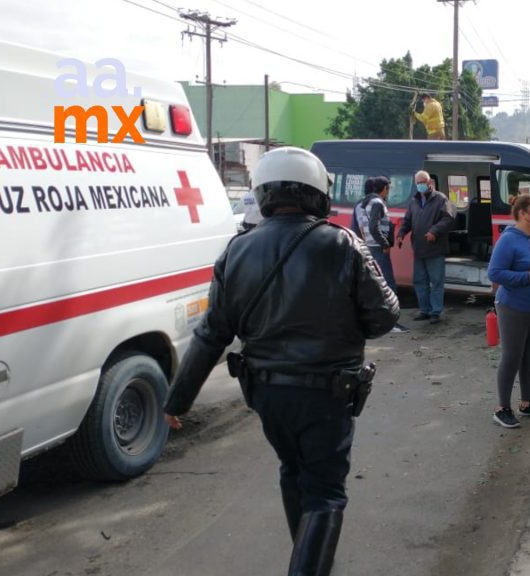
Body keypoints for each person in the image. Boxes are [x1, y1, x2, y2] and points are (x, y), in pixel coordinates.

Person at [162, 147, 400, 576]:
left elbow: (211, 334)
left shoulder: (236, 251)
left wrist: (176, 401)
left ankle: (306, 554)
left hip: (267, 394)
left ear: (264, 193)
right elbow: (384, 316)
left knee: (292, 472)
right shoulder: (342, 243)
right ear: (316, 194)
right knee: (326, 492)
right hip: (327, 393)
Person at [488, 194, 530, 428]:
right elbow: (495, 273)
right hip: (512, 307)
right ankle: (502, 408)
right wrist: (527, 276)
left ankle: (527, 402)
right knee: (511, 357)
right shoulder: (508, 239)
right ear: (522, 213)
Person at [397, 170, 456, 324]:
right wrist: (401, 233)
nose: (421, 185)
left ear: (430, 183)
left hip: (435, 249)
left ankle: (435, 312)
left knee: (436, 282)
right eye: (418, 183)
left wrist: (434, 231)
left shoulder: (441, 199)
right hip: (419, 248)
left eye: (423, 182)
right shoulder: (414, 201)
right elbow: (407, 220)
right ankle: (424, 310)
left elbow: (449, 218)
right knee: (420, 281)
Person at [355, 176, 409, 334]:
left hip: (370, 246)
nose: (388, 192)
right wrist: (385, 244)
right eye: (388, 188)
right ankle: (392, 323)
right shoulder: (378, 203)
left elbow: (363, 227)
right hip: (378, 248)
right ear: (384, 188)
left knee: (376, 283)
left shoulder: (364, 203)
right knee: (388, 284)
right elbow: (373, 227)